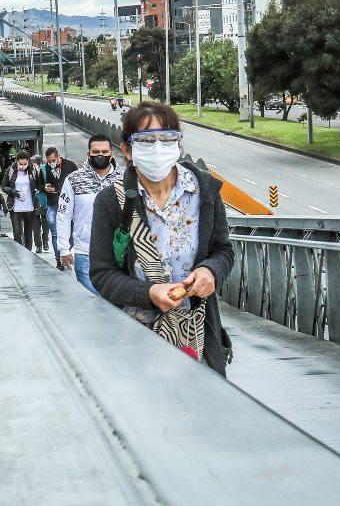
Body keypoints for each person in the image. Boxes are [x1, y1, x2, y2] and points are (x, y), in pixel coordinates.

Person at [89, 102, 235, 375]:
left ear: (178, 145)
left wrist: (210, 271)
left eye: (167, 139)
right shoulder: (111, 202)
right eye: (146, 140)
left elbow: (223, 251)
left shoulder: (204, 192)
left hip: (197, 334)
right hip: (137, 342)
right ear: (127, 150)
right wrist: (148, 293)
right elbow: (101, 274)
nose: (157, 148)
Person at [57, 134, 121, 294]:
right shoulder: (73, 180)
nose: (101, 155)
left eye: (105, 152)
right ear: (89, 154)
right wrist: (64, 249)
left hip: (119, 253)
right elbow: (64, 215)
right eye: (96, 152)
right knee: (96, 304)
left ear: (112, 154)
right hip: (85, 252)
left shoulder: (124, 179)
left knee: (116, 307)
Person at [41, 147, 78, 270]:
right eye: (49, 161)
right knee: (55, 231)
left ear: (58, 156)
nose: (51, 163)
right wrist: (45, 188)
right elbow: (38, 184)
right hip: (53, 202)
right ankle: (59, 259)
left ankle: (66, 250)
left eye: (53, 160)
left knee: (71, 231)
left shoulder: (70, 165)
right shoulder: (44, 168)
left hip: (69, 203)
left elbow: (78, 182)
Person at [1, 151, 40, 250]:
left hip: (29, 206)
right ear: (17, 162)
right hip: (15, 206)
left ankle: (28, 252)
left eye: (25, 164)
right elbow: (4, 187)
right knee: (17, 231)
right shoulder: (10, 170)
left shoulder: (33, 170)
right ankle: (19, 252)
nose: (22, 166)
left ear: (28, 162)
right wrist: (13, 192)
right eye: (20, 164)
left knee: (28, 232)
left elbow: (38, 184)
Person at [32, 154, 50, 253]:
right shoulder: (30, 171)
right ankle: (38, 245)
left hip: (43, 199)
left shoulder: (44, 170)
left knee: (45, 224)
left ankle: (45, 242)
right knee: (36, 226)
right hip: (34, 200)